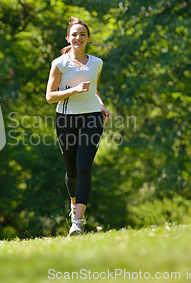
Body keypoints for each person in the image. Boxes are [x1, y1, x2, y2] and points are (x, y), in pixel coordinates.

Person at [46, 16, 111, 236]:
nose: (78, 37)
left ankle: (78, 222)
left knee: (84, 167)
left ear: (88, 38)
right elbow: (50, 96)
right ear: (68, 38)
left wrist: (101, 105)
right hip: (66, 119)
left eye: (82, 34)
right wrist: (73, 90)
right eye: (74, 34)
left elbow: (93, 89)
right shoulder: (59, 64)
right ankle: (74, 206)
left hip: (92, 117)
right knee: (72, 170)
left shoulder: (97, 63)